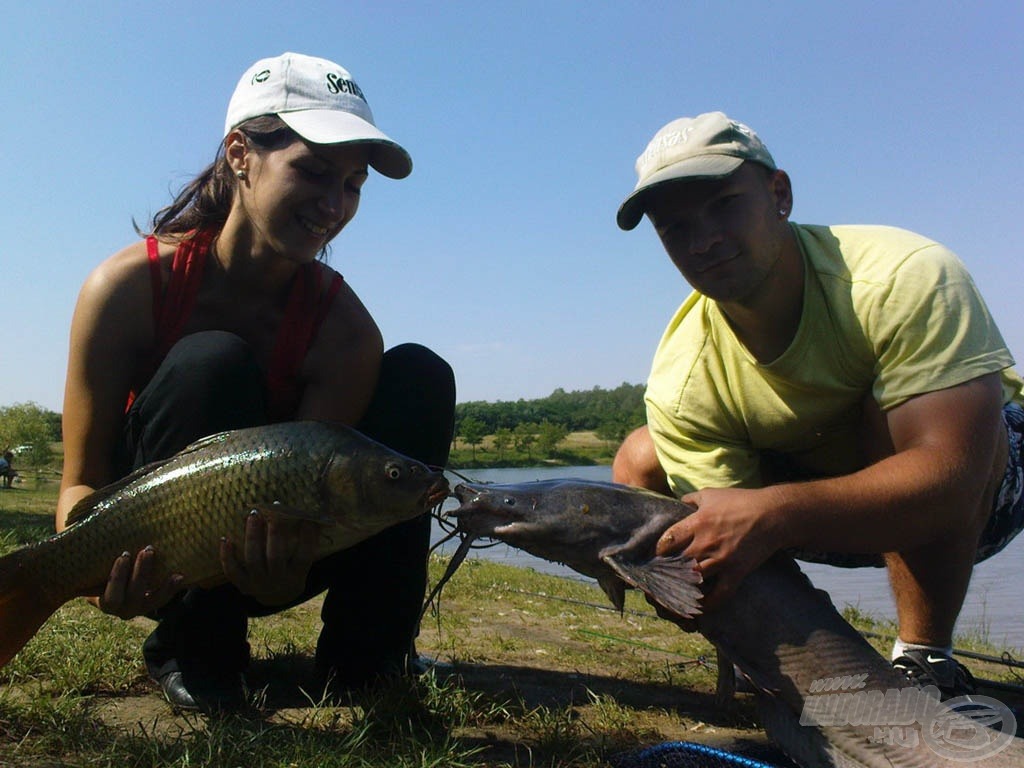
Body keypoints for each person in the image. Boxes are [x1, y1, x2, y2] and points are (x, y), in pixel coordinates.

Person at [58, 52, 455, 712]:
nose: (335, 204)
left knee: (419, 377)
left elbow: (316, 495)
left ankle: (370, 657)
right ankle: (195, 651)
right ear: (241, 154)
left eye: (354, 184)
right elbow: (81, 481)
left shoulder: (348, 333)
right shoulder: (126, 288)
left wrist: (281, 574)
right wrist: (91, 572)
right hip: (160, 548)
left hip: (283, 553)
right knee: (212, 361)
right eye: (314, 171)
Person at [612, 111, 1024, 699]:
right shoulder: (682, 375)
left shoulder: (904, 277)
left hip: (984, 490)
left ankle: (925, 657)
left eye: (725, 204)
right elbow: (729, 546)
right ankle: (769, 664)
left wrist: (775, 512)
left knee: (889, 413)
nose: (703, 241)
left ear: (779, 194)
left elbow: (951, 480)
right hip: (826, 505)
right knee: (641, 458)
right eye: (675, 228)